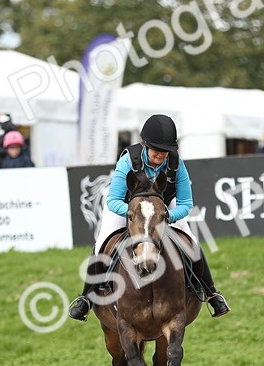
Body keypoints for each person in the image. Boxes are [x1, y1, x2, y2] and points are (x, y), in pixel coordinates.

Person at [68, 114, 230, 321]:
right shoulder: (128, 160)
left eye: (166, 151)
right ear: (145, 145)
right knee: (102, 243)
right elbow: (113, 200)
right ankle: (86, 299)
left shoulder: (176, 164)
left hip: (163, 207)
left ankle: (212, 293)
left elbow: (186, 203)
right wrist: (137, 216)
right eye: (157, 150)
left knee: (192, 242)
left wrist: (167, 216)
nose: (161, 155)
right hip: (127, 206)